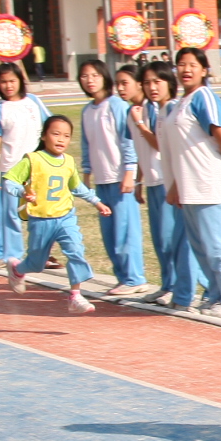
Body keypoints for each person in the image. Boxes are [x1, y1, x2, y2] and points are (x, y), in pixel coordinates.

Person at [158, 45, 221, 320]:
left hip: (207, 182)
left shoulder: (204, 97)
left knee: (217, 246)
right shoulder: (180, 103)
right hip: (189, 186)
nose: (186, 70)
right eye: (181, 65)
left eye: (192, 65)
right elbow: (180, 149)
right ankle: (215, 296)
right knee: (201, 248)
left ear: (204, 70)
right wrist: (175, 186)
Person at [3, 115, 110, 312]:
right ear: (44, 136)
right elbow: (10, 181)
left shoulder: (69, 161)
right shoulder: (32, 159)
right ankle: (17, 269)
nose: (61, 139)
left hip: (65, 217)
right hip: (41, 219)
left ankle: (75, 296)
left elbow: (76, 186)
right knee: (36, 264)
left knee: (76, 251)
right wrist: (22, 192)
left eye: (66, 136)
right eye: (56, 134)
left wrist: (97, 202)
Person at [76, 59, 150, 298]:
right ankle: (123, 278)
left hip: (120, 179)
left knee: (125, 232)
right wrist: (86, 176)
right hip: (102, 181)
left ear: (104, 77)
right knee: (109, 234)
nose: (90, 80)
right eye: (85, 76)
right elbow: (86, 145)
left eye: (95, 75)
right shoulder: (87, 111)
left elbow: (128, 141)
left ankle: (134, 278)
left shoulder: (117, 105)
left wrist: (129, 174)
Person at [131, 63, 199, 311]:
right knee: (164, 240)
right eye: (147, 83)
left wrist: (140, 125)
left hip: (171, 184)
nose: (152, 87)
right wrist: (140, 180)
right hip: (158, 182)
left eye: (157, 82)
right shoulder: (158, 110)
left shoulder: (172, 108)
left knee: (177, 241)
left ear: (169, 83)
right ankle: (172, 286)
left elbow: (163, 146)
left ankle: (186, 292)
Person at [0, 62, 51, 265]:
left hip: (37, 168)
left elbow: (51, 126)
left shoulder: (33, 101)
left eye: (12, 80)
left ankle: (41, 254)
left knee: (40, 213)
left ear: (20, 80)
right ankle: (13, 257)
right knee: (12, 215)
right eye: (3, 82)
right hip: (11, 171)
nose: (8, 85)